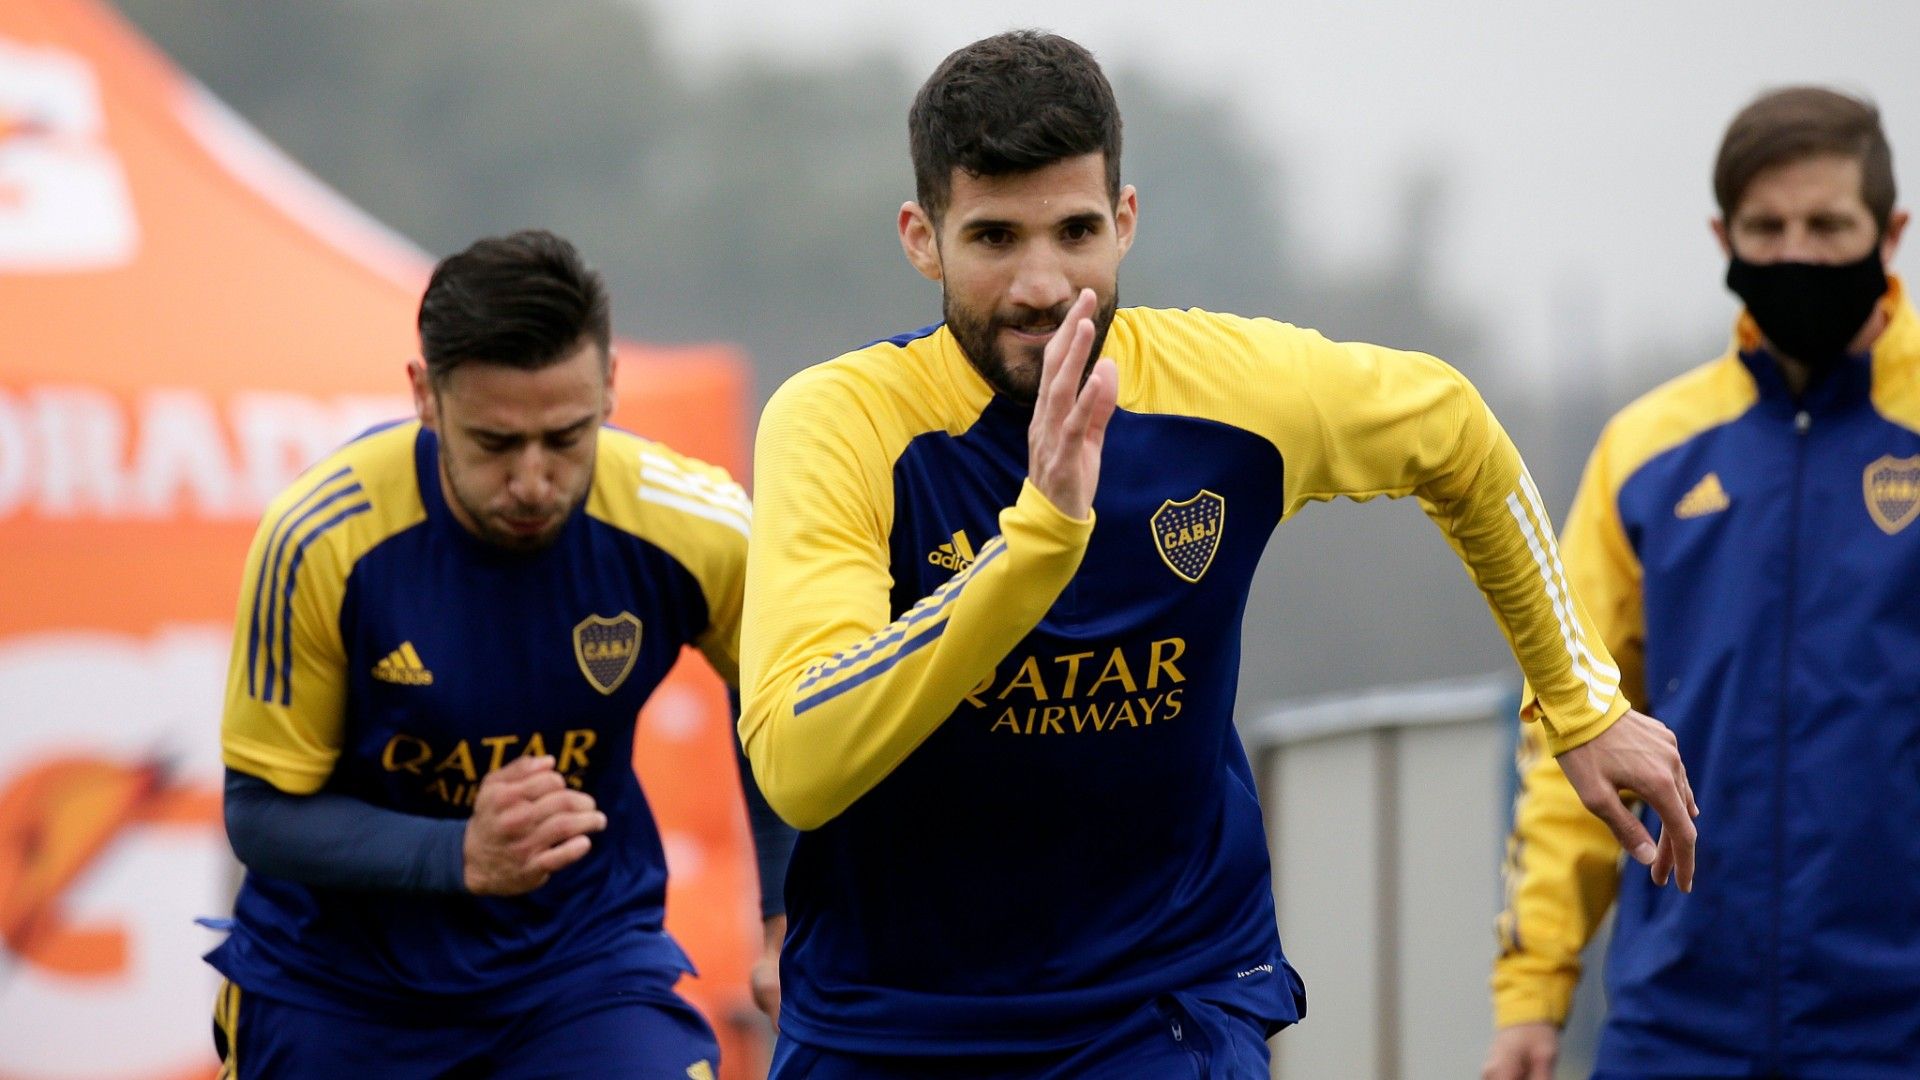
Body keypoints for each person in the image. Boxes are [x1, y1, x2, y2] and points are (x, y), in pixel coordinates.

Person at [739, 30, 1697, 1078]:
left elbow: (1456, 432)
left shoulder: (1229, 394)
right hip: (891, 1016)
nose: (1044, 284)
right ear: (922, 238)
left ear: (1128, 220)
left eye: (1076, 229)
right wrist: (1037, 542)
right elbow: (799, 762)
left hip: (1158, 1003)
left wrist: (1581, 698)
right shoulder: (839, 424)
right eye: (994, 238)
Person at [204, 230, 791, 1078]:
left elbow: (781, 706)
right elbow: (259, 816)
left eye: (565, 437)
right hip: (338, 984)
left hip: (578, 967)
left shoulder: (696, 525)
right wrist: (460, 854)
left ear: (611, 386)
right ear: (424, 396)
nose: (531, 480)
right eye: (493, 443)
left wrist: (786, 919)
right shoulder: (319, 539)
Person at [1485, 87, 1920, 1080]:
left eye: (1828, 224)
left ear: (1888, 232)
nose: (1797, 254)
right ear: (1724, 237)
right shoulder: (1647, 454)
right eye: (1767, 228)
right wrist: (1532, 993)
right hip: (1676, 1023)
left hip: (1899, 1025)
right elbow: (1569, 726)